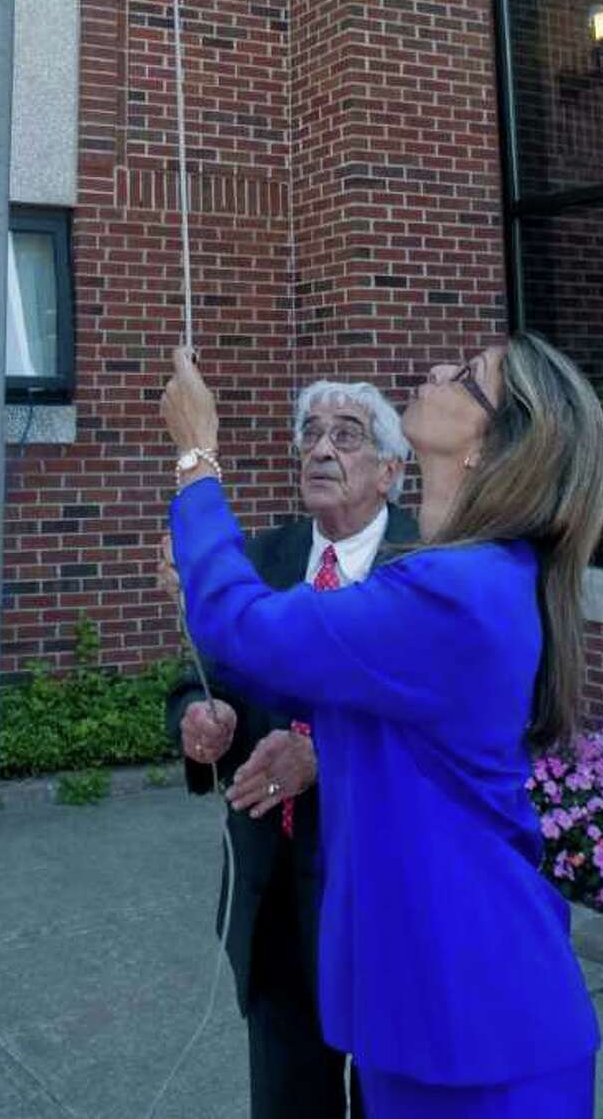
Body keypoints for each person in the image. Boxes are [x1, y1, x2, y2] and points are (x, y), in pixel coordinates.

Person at [161, 336, 603, 1118]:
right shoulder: (472, 577)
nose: (438, 373)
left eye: (467, 379)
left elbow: (241, 626)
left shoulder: (457, 587)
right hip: (422, 1006)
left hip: (477, 1027)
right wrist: (320, 747)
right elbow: (422, 741)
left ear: (492, 448)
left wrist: (197, 458)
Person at [164, 379, 415, 1119]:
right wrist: (201, 717)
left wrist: (326, 757)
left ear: (392, 470)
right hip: (274, 902)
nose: (322, 449)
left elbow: (439, 735)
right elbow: (199, 674)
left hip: (381, 906)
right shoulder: (257, 556)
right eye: (310, 433)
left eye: (347, 434)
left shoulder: (426, 567)